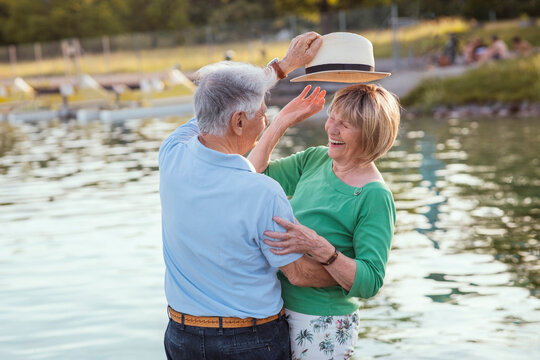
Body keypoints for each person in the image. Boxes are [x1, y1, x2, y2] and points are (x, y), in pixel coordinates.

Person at [159, 32, 337, 360]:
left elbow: (213, 103)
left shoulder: (171, 153)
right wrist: (349, 273)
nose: (266, 119)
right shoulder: (264, 192)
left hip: (180, 337)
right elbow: (298, 273)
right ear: (239, 122)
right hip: (248, 343)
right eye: (262, 113)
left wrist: (283, 67)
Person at [248, 83, 400, 359]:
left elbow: (371, 282)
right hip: (275, 308)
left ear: (370, 134)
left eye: (345, 125)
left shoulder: (374, 195)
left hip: (322, 322)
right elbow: (252, 177)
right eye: (332, 117)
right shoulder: (316, 158)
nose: (331, 128)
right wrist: (280, 122)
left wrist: (320, 247)